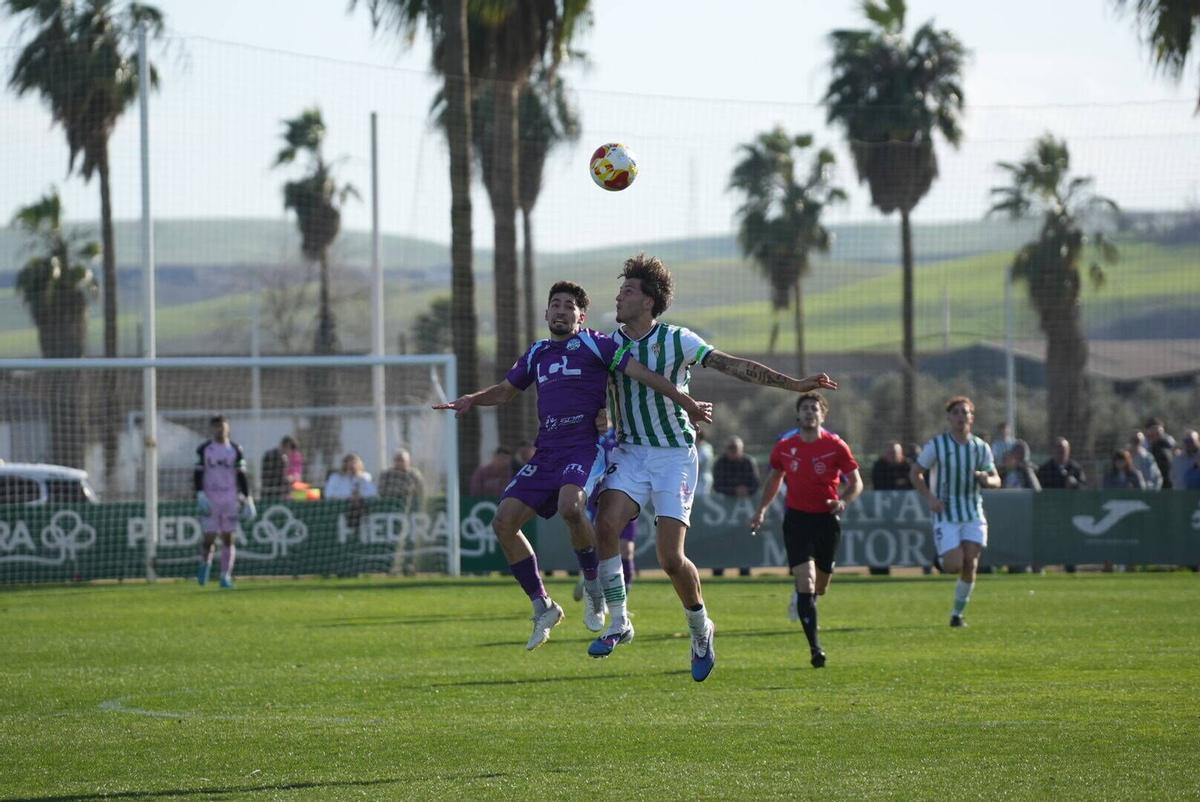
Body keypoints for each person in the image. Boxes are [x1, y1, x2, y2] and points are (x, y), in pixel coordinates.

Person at [589, 253, 836, 682]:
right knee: (605, 524)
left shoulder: (678, 340)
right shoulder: (612, 343)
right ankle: (619, 621)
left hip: (673, 456)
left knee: (670, 558)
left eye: (627, 290)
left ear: (648, 301)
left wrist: (794, 385)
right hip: (630, 452)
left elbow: (737, 367)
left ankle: (700, 628)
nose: (618, 296)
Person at [434, 280, 711, 651]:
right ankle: (543, 606)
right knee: (503, 522)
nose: (561, 311)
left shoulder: (597, 343)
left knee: (571, 505)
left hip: (585, 447)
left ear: (581, 316)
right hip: (546, 451)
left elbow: (642, 375)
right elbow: (505, 391)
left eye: (569, 306)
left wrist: (684, 401)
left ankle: (594, 585)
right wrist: (472, 399)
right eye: (555, 305)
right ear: (546, 313)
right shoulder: (537, 353)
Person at [750, 392, 862, 668]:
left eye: (815, 408)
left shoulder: (835, 446)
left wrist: (843, 501)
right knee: (807, 581)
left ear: (823, 415)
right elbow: (775, 479)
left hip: (827, 519)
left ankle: (802, 597)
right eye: (805, 408)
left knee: (819, 587)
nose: (810, 412)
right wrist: (762, 509)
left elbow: (856, 482)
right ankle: (815, 649)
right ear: (798, 415)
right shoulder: (785, 446)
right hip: (797, 520)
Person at [910, 396, 1001, 627]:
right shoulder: (938, 445)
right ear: (949, 418)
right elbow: (916, 472)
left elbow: (996, 479)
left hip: (972, 511)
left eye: (965, 412)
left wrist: (986, 479)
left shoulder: (981, 448)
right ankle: (941, 560)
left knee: (971, 563)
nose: (961, 417)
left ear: (972, 417)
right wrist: (930, 498)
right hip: (946, 513)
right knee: (954, 565)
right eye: (957, 413)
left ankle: (957, 615)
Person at [194, 415, 256, 589]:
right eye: (216, 427)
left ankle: (225, 576)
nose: (220, 430)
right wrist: (200, 494)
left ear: (228, 428)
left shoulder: (235, 450)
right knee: (209, 538)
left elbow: (241, 476)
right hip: (210, 499)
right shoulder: (204, 449)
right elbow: (197, 474)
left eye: (222, 427)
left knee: (229, 538)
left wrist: (248, 498)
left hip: (229, 499)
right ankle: (205, 565)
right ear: (212, 429)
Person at [1145, 418, 1177, 488]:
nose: (1156, 435)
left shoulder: (1169, 443)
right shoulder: (1144, 445)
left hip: (1168, 479)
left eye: (1158, 433)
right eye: (1153, 433)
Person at [694, 428, 715, 497]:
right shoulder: (699, 447)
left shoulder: (705, 449)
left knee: (701, 500)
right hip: (698, 479)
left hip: (703, 480)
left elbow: (698, 464)